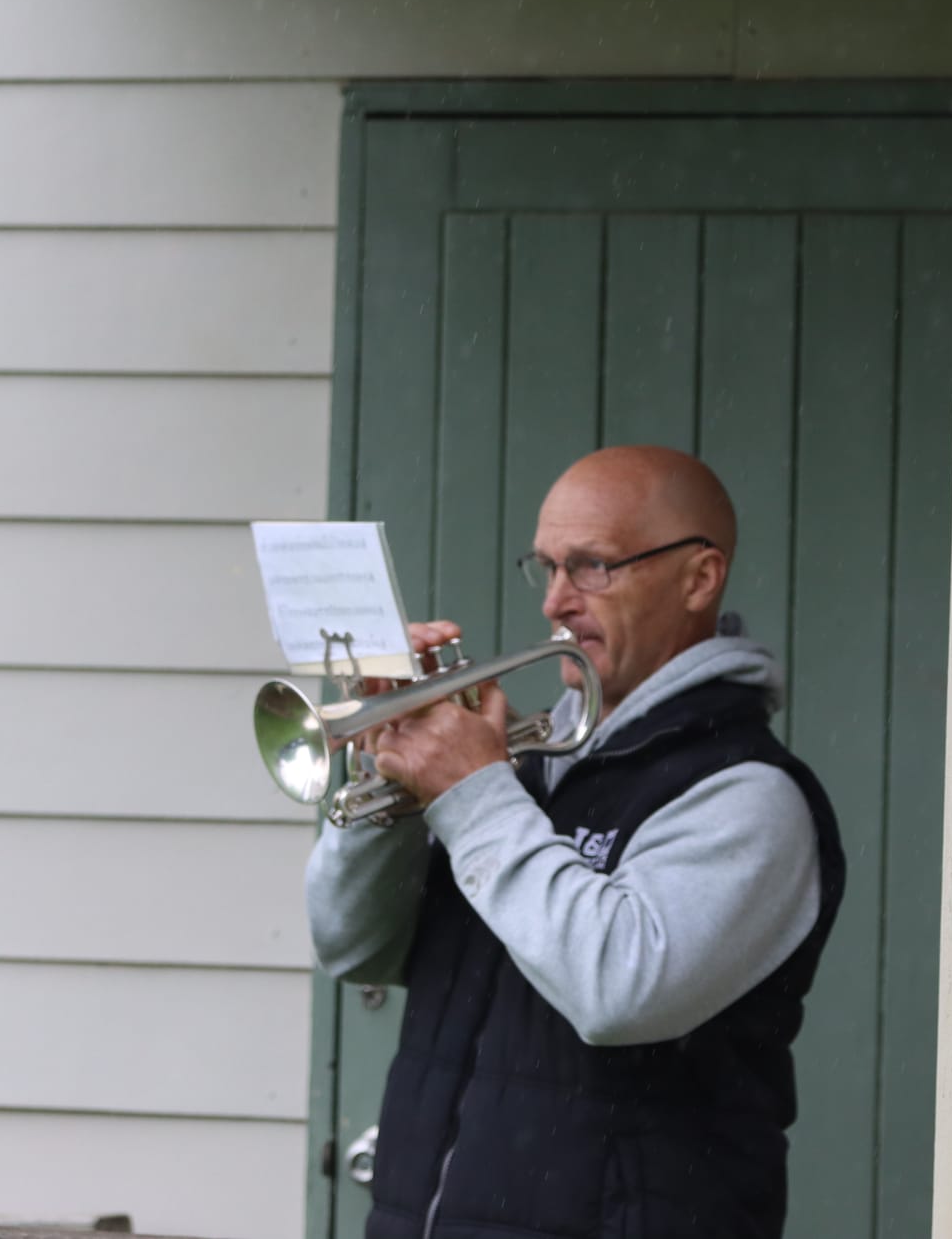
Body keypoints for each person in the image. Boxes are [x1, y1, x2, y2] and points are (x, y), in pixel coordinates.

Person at [305, 445, 845, 1239]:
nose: (558, 600)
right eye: (547, 566)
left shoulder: (748, 793)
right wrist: (391, 777)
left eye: (593, 566)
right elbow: (351, 946)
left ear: (700, 578)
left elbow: (620, 989)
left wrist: (469, 793)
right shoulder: (518, 770)